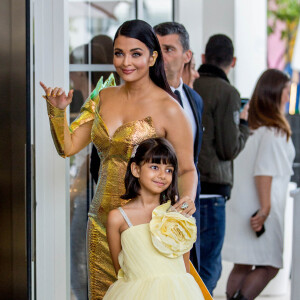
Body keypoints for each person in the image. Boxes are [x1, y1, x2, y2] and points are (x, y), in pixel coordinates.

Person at [40, 19, 198, 299]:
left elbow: (186, 169)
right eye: (119, 53)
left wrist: (185, 202)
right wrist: (57, 112)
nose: (126, 62)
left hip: (146, 227)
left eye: (136, 53)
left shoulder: (169, 109)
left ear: (152, 57)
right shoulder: (103, 97)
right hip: (100, 223)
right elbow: (68, 146)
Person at [222, 69, 295, 300]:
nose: (288, 95)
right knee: (270, 266)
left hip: (241, 206)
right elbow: (263, 173)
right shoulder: (274, 131)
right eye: (286, 90)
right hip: (262, 210)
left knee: (242, 264)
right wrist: (264, 210)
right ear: (275, 93)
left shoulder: (250, 129)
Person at [104, 137, 206, 299]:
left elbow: (184, 267)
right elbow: (120, 270)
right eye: (154, 167)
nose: (162, 175)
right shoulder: (117, 218)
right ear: (136, 169)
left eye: (169, 170)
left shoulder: (177, 214)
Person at [193, 34, 250, 294]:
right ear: (233, 61)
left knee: (191, 264)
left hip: (186, 188)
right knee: (210, 267)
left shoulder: (189, 86)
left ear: (203, 58)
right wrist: (244, 124)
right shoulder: (228, 93)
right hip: (213, 188)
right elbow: (229, 149)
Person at [154, 21, 204, 273]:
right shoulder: (146, 98)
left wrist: (189, 199)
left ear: (187, 56)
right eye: (156, 48)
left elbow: (192, 160)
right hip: (149, 208)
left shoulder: (194, 99)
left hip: (185, 206)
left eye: (169, 49)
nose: (160, 55)